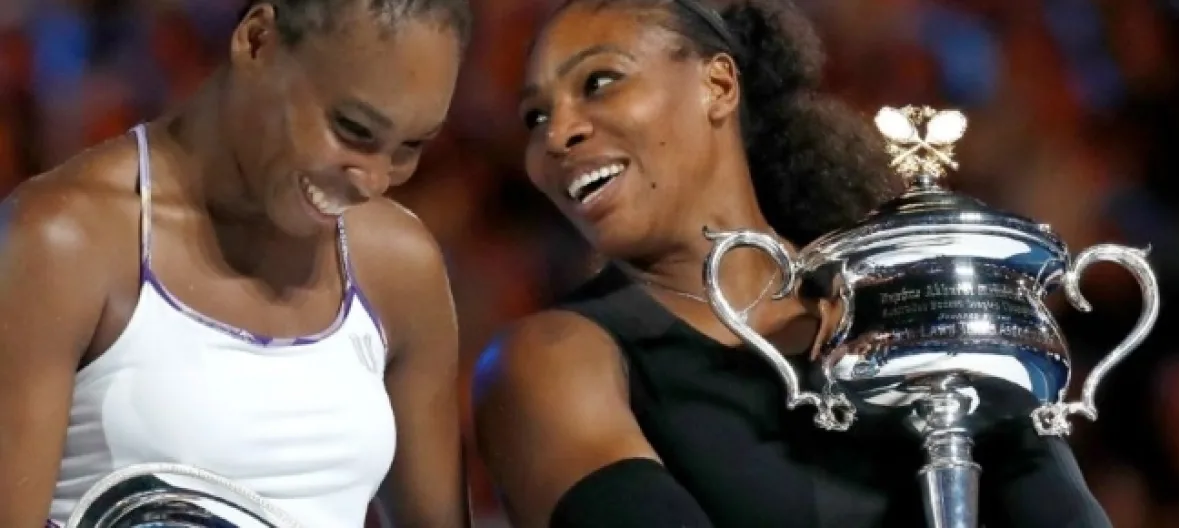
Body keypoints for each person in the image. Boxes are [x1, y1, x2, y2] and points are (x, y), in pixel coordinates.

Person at [472, 0, 1114, 527]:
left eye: (599, 82)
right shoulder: (550, 362)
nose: (556, 134)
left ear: (717, 84)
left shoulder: (906, 299)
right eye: (535, 116)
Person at [0, 1, 471, 526]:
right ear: (257, 40)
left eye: (410, 146)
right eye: (353, 129)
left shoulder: (400, 266)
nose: (374, 180)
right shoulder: (65, 240)